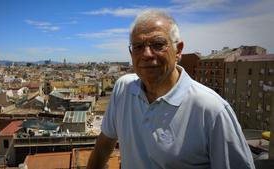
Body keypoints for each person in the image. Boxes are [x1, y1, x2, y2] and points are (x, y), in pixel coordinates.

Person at [87, 9, 255, 169]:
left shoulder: (212, 110)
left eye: (158, 44)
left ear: (178, 50)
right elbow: (103, 146)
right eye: (138, 46)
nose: (146, 54)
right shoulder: (122, 89)